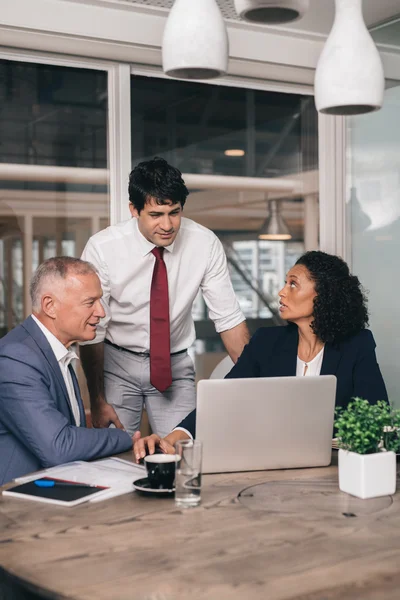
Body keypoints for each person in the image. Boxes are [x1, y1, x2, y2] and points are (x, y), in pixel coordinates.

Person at [133, 250, 388, 461]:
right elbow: (223, 401)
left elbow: (376, 415)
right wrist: (171, 439)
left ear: (323, 295)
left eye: (293, 284)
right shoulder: (266, 342)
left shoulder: (357, 345)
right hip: (268, 462)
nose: (281, 292)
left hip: (337, 467)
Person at [80, 157, 249, 438]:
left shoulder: (204, 243)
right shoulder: (103, 248)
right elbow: (94, 330)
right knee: (115, 454)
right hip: (116, 365)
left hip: (176, 365)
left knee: (185, 454)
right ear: (134, 210)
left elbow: (229, 320)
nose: (168, 225)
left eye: (175, 212)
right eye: (156, 215)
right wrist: (97, 399)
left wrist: (255, 387)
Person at [0, 257, 138, 485]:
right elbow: (58, 447)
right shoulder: (16, 358)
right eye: (89, 302)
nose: (101, 312)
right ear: (50, 306)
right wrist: (125, 437)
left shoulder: (52, 349)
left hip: (55, 487)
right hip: (18, 503)